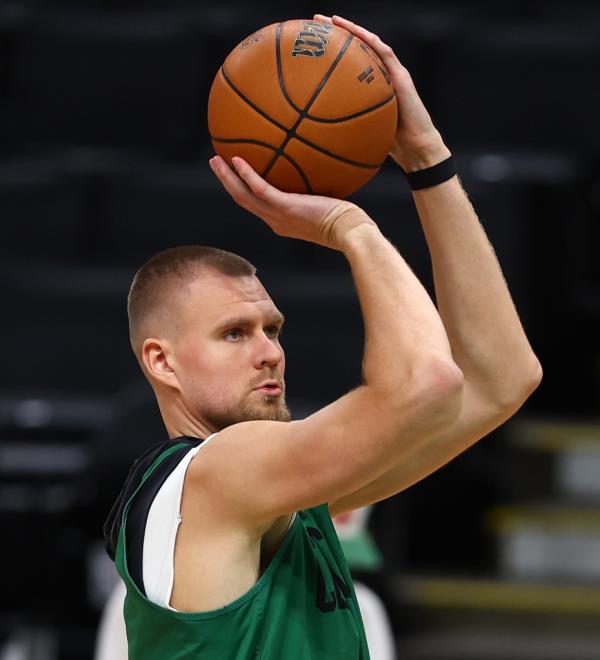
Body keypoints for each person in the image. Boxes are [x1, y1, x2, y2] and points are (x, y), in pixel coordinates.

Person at [103, 14, 542, 659]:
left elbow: (505, 376)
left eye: (272, 328)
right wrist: (351, 228)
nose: (269, 350)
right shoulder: (213, 478)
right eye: (234, 333)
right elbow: (429, 382)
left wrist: (426, 160)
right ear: (161, 362)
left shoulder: (282, 500)